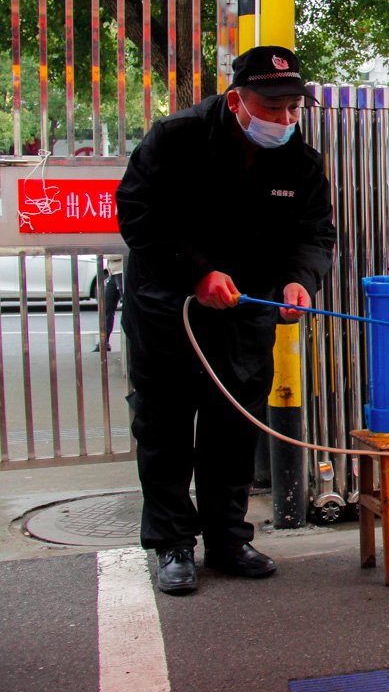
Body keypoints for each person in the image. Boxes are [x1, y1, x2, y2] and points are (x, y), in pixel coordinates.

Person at [116, 45, 336, 594]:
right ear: (237, 99)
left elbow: (313, 236)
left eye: (293, 108)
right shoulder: (176, 139)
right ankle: (171, 543)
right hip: (171, 309)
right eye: (272, 108)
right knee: (164, 428)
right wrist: (197, 274)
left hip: (246, 315)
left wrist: (298, 282)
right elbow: (138, 213)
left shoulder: (300, 161)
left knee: (232, 427)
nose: (284, 120)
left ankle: (228, 537)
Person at [95, 254, 123, 352]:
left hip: (121, 271)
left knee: (127, 309)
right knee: (107, 308)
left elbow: (117, 253)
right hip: (113, 273)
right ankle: (103, 342)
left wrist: (106, 254)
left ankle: (131, 343)